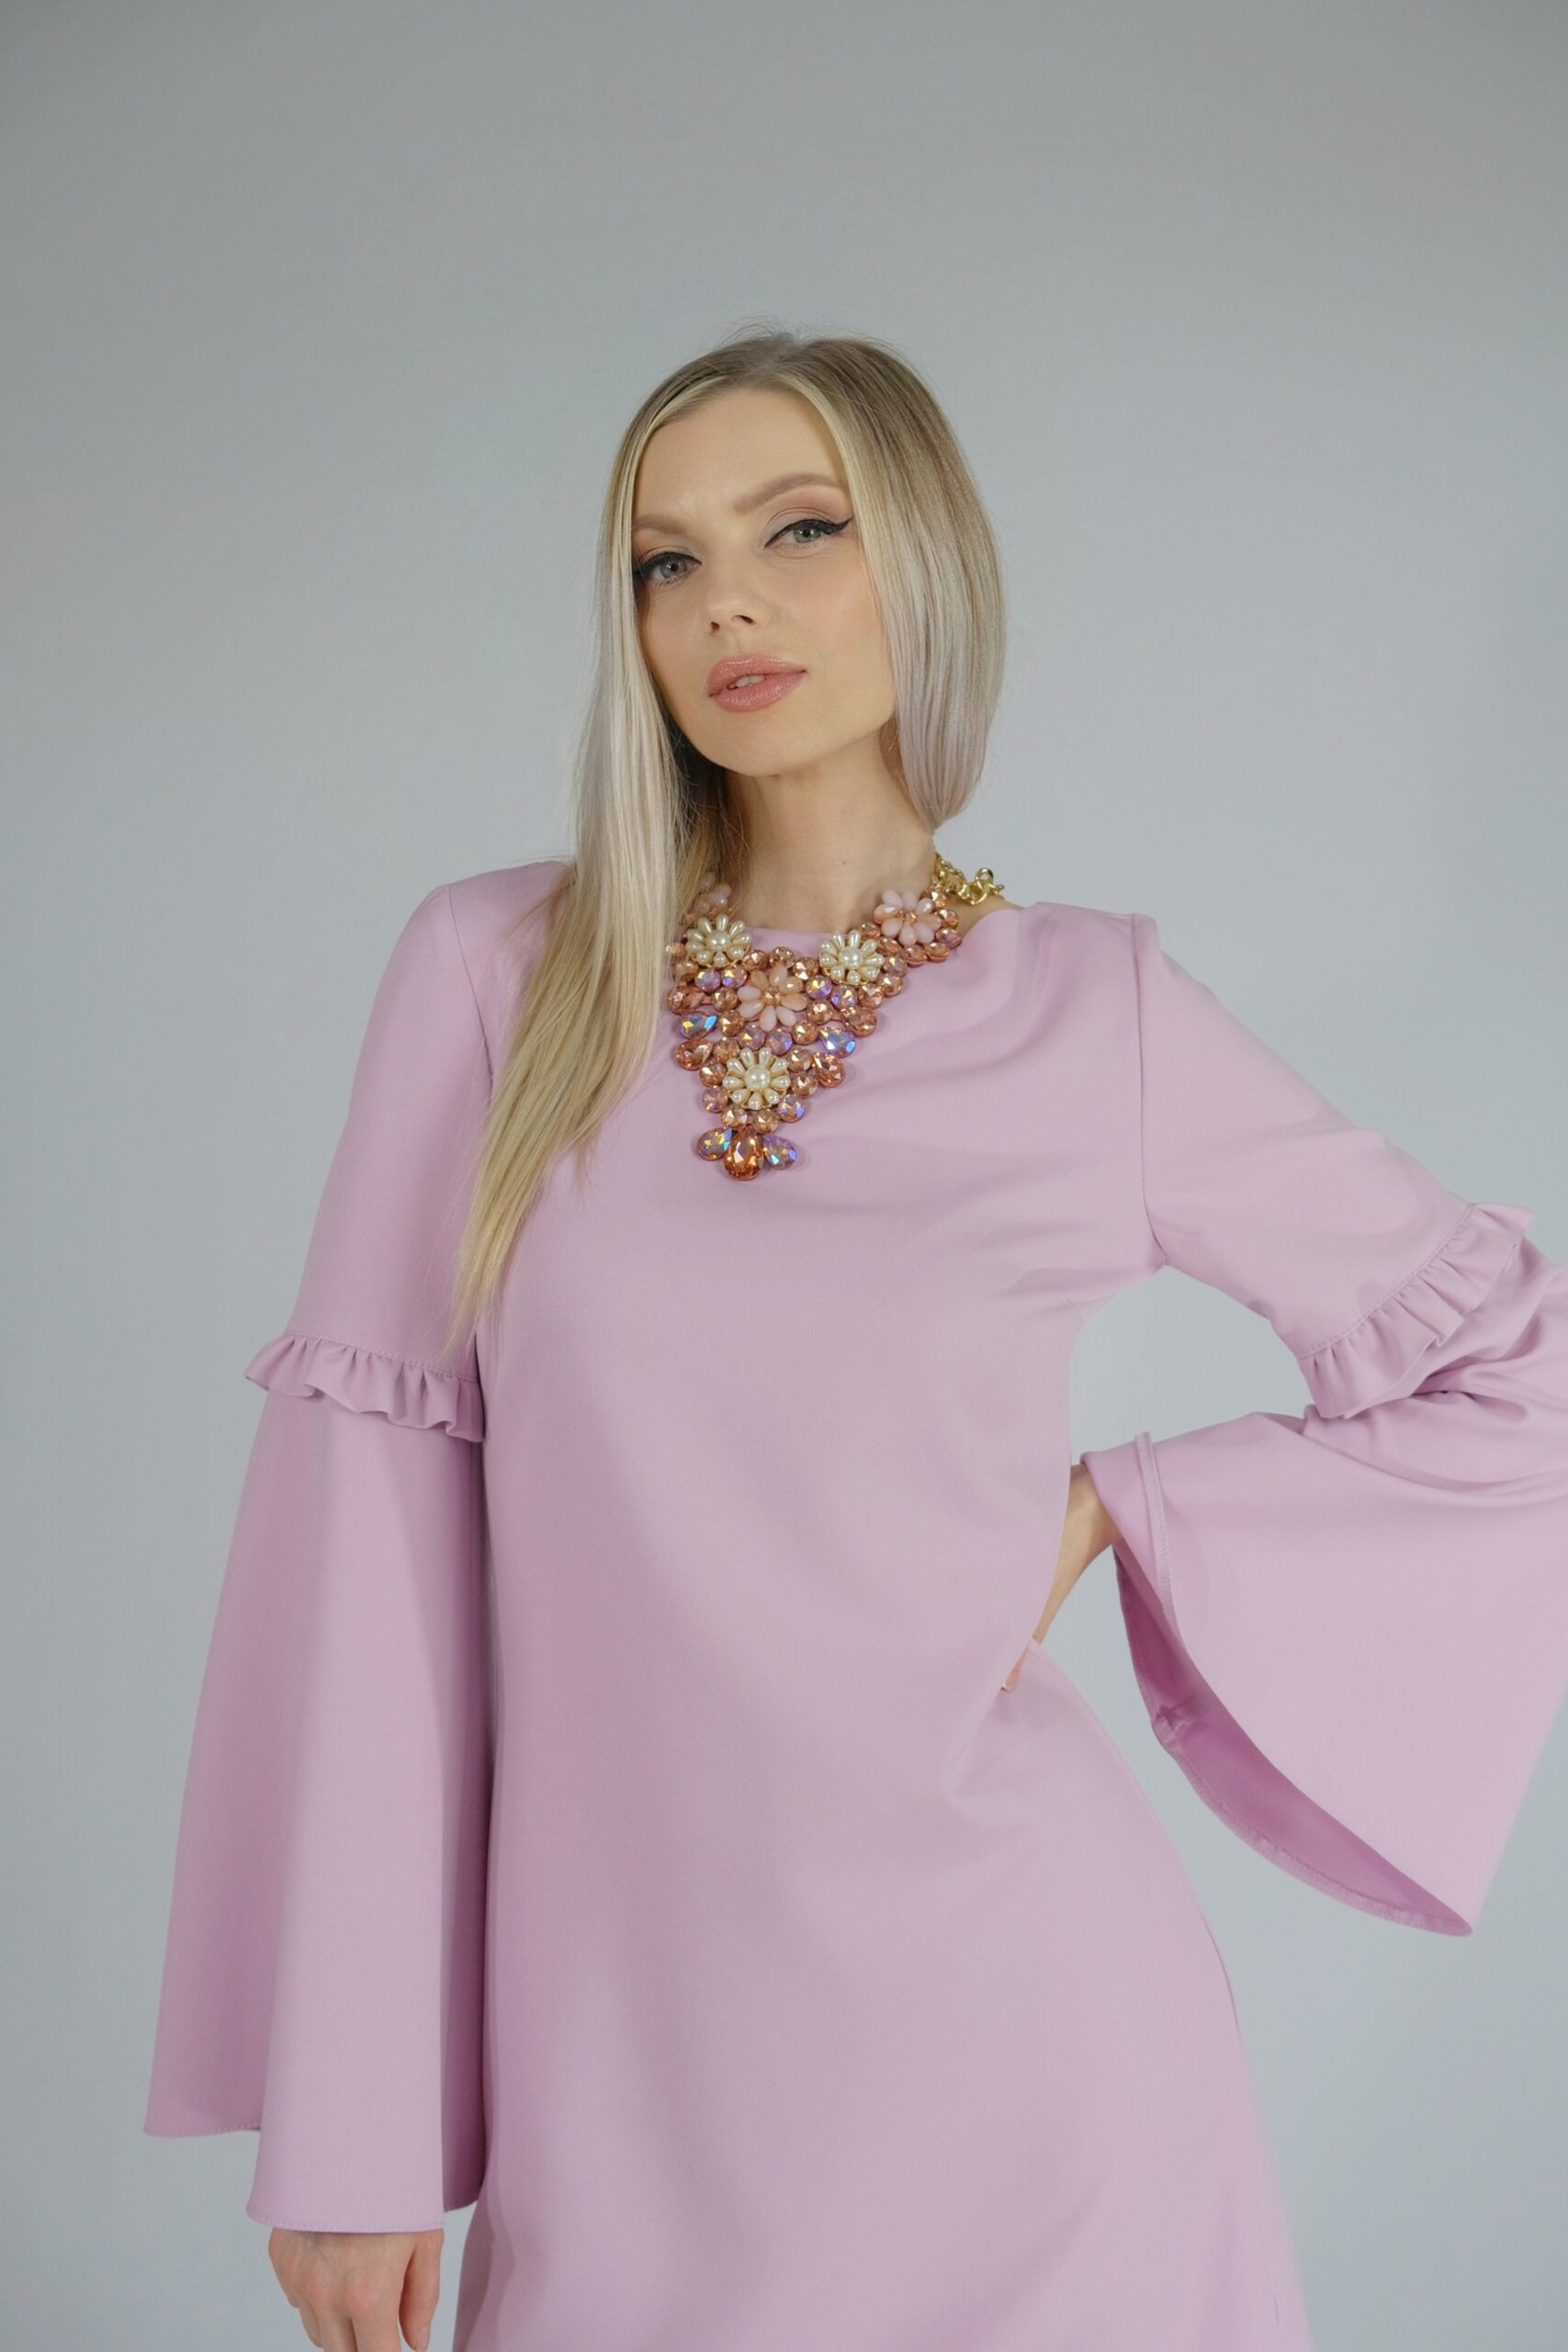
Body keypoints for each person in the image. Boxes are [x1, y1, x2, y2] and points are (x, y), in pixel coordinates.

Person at [143, 328, 1568, 2352]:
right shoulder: (499, 976)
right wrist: (354, 2123)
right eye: (666, 560)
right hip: (620, 2091)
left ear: (926, 564)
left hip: (1034, 2067)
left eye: (798, 529)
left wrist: (1118, 1510)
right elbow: (366, 1553)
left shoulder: (1095, 1017)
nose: (725, 600)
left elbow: (1520, 1370)